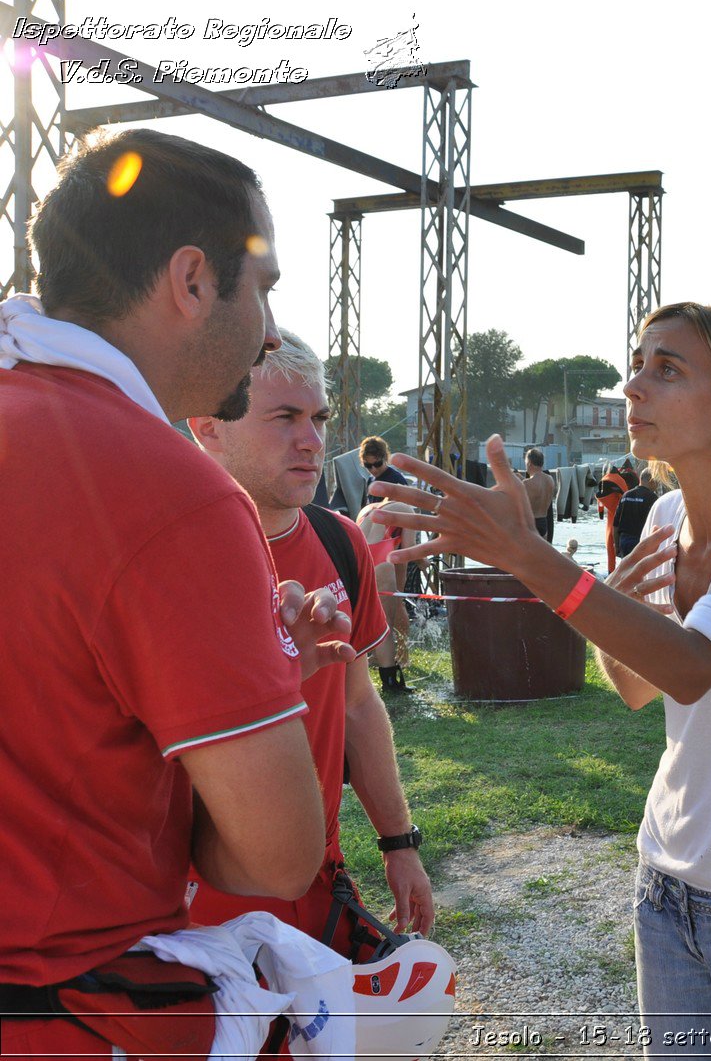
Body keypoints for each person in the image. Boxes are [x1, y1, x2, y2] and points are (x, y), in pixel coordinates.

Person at [368, 302, 711, 1057]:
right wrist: (610, 606)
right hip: (665, 886)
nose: (633, 386)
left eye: (667, 369)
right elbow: (636, 685)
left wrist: (531, 556)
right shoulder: (662, 515)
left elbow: (691, 670)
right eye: (637, 363)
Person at [0, 128, 349, 1058]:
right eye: (263, 285)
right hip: (67, 1009)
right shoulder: (173, 492)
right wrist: (257, 694)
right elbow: (276, 855)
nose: (271, 327)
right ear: (193, 281)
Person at [187, 333, 436, 953]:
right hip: (191, 897)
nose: (312, 441)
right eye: (284, 418)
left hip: (318, 879)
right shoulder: (166, 555)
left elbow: (355, 703)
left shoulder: (340, 539)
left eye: (319, 417)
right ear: (207, 427)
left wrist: (398, 841)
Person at [357, 495, 420, 695]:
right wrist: (424, 562)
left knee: (361, 621)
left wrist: (399, 593)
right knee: (386, 625)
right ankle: (393, 676)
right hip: (379, 560)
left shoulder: (368, 509)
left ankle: (374, 659)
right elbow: (408, 551)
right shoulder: (407, 509)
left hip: (355, 560)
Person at [595, 460, 637, 571]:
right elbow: (625, 496)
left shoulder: (603, 480)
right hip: (622, 514)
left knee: (609, 545)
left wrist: (600, 514)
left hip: (610, 515)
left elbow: (599, 502)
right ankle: (626, 570)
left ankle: (611, 571)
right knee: (624, 546)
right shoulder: (621, 480)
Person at [614, 468, 661, 559]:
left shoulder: (626, 495)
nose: (657, 485)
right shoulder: (652, 497)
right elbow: (656, 524)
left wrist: (616, 545)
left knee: (627, 570)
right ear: (652, 481)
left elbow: (615, 524)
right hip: (641, 540)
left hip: (624, 541)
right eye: (657, 482)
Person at [360, 434, 408, 509]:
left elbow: (405, 510)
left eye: (377, 464)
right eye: (368, 465)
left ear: (385, 458)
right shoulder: (370, 480)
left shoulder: (396, 480)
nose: (373, 469)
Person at [523, 445, 558, 542]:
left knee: (528, 556)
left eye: (525, 463)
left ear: (529, 463)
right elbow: (537, 491)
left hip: (531, 523)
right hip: (543, 522)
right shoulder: (550, 480)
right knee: (542, 556)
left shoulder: (526, 484)